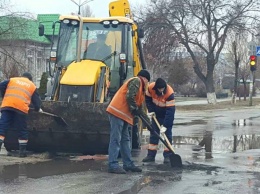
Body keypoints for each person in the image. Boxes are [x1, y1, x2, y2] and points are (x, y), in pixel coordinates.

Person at [106, 69, 151, 174]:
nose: (147, 83)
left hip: (124, 116)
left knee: (126, 140)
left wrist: (149, 124)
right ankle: (112, 165)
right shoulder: (137, 81)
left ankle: (128, 164)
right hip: (117, 112)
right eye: (147, 81)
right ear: (145, 79)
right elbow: (130, 96)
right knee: (116, 139)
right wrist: (134, 107)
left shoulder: (140, 90)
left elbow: (140, 109)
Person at [0, 72, 42, 157]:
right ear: (30, 79)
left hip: (7, 106)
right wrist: (37, 109)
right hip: (21, 109)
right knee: (22, 129)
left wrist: (4, 96)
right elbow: (37, 102)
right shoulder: (32, 85)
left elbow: (1, 85)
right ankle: (22, 153)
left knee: (2, 127)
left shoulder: (12, 80)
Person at [142, 78, 175, 164]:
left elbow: (170, 112)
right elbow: (148, 100)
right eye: (159, 89)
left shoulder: (169, 93)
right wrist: (151, 110)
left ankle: (168, 156)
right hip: (155, 115)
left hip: (165, 115)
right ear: (156, 88)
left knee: (167, 135)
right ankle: (151, 155)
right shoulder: (150, 88)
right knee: (154, 134)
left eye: (162, 88)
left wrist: (165, 125)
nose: (161, 90)